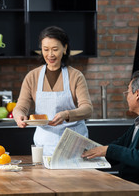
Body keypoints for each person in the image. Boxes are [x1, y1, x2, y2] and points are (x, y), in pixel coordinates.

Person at [13, 26, 93, 156]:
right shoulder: (32, 76)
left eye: (55, 49)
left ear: (65, 48)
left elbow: (87, 109)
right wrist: (19, 116)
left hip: (73, 145)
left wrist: (66, 114)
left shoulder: (76, 76)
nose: (50, 54)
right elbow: (20, 107)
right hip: (44, 146)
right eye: (46, 49)